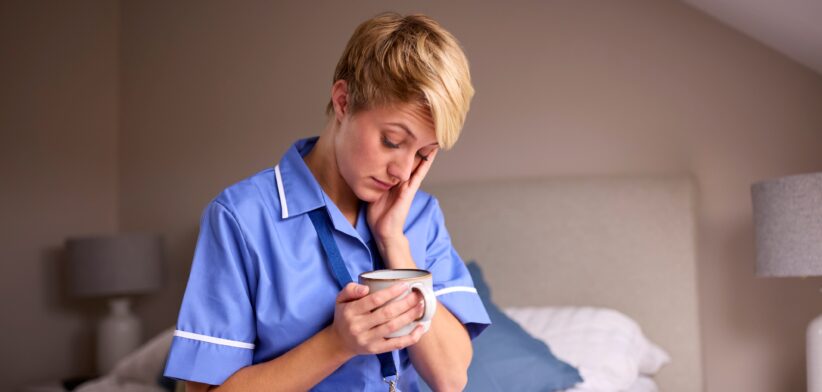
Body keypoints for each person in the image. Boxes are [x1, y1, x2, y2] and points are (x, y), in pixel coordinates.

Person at [163, 12, 490, 391]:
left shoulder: (420, 216)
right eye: (392, 141)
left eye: (422, 154)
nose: (403, 171)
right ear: (343, 101)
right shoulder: (240, 218)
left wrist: (395, 243)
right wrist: (337, 344)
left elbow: (451, 379)